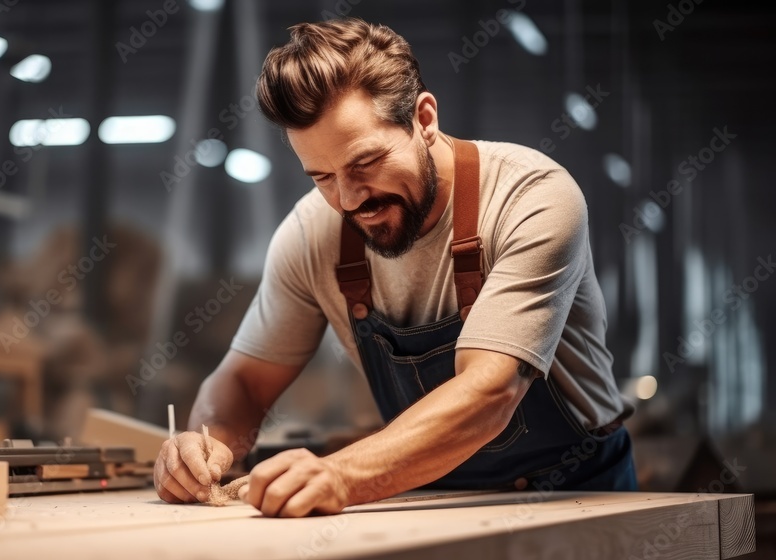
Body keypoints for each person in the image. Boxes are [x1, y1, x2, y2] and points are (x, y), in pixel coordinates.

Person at [153, 17, 637, 518]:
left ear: (424, 119)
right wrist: (206, 448)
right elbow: (245, 383)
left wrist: (341, 474)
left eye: (365, 165)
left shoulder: (532, 199)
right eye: (321, 176)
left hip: (577, 493)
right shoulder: (312, 233)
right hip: (430, 499)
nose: (348, 199)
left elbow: (490, 393)